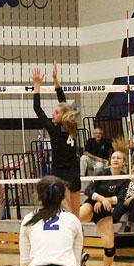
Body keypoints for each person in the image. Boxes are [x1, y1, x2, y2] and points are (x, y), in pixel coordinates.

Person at [31, 63, 81, 217]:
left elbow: (37, 109)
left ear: (63, 115)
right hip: (74, 175)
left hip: (61, 177)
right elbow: (63, 101)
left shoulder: (54, 130)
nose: (53, 114)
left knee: (69, 215)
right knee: (75, 217)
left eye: (56, 112)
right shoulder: (71, 127)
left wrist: (37, 85)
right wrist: (55, 80)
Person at [79, 151, 129, 266]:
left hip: (104, 210)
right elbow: (88, 190)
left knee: (110, 247)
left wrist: (104, 201)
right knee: (74, 219)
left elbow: (121, 198)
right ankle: (79, 251)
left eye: (119, 158)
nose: (116, 160)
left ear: (123, 162)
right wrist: (100, 199)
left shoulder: (125, 177)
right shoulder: (102, 173)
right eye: (113, 157)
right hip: (92, 204)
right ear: (110, 160)